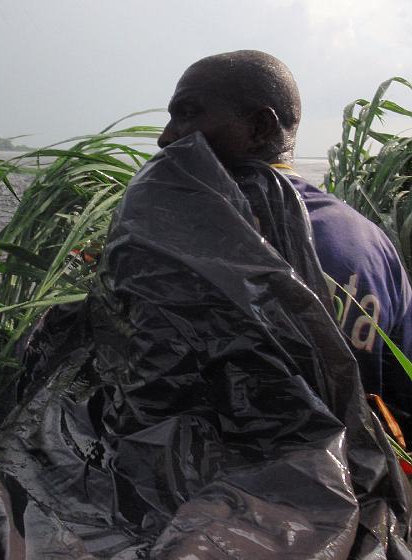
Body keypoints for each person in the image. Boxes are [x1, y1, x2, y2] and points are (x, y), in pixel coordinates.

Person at [158, 49, 412, 433]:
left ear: (259, 128)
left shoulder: (177, 233)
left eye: (187, 113)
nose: (165, 138)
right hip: (352, 486)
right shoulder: (370, 242)